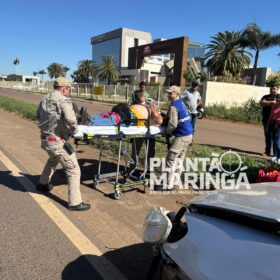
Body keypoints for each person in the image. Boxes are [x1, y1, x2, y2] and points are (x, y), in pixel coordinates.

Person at [37, 77, 91, 211]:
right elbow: (71, 119)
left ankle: (42, 184)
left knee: (53, 160)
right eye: (69, 89)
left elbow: (37, 116)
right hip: (57, 141)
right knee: (73, 169)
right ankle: (75, 203)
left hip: (45, 140)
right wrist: (75, 130)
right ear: (64, 88)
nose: (69, 91)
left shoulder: (44, 99)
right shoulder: (63, 99)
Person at [164, 86, 193, 189]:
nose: (168, 95)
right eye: (168, 93)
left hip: (182, 135)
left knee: (171, 159)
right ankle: (176, 181)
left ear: (176, 94)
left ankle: (168, 184)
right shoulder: (181, 103)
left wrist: (167, 132)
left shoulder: (173, 105)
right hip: (189, 134)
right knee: (180, 158)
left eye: (170, 93)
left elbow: (173, 124)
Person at [129, 91, 163, 173]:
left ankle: (149, 169)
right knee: (136, 150)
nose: (139, 99)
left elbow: (158, 116)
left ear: (143, 97)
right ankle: (133, 168)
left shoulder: (151, 103)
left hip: (150, 131)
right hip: (138, 131)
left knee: (150, 151)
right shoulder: (134, 105)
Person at [260, 85, 279, 156]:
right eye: (271, 89)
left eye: (274, 89)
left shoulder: (279, 97)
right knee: (267, 136)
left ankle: (275, 153)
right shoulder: (265, 97)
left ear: (278, 89)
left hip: (276, 121)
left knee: (276, 138)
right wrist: (271, 102)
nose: (273, 90)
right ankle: (267, 151)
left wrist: (267, 103)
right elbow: (261, 103)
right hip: (266, 119)